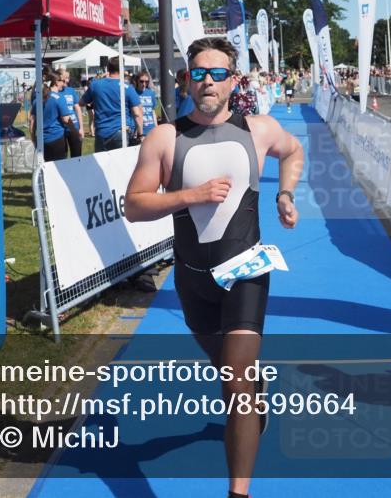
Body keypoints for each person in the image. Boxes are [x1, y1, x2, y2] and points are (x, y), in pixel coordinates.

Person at [124, 36, 303, 498]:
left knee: (237, 380)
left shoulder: (258, 129)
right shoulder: (165, 137)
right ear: (187, 78)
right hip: (192, 280)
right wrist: (190, 196)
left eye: (218, 73)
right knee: (229, 371)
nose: (208, 81)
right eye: (199, 72)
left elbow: (294, 151)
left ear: (234, 81)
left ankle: (237, 493)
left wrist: (285, 193)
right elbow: (134, 206)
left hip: (246, 269)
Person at [80, 57, 144, 152]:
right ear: (122, 69)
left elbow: (81, 103)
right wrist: (140, 134)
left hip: (101, 133)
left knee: (102, 165)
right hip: (120, 133)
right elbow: (137, 113)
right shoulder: (127, 87)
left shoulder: (95, 84)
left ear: (108, 68)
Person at [31, 72, 71, 162]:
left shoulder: (38, 99)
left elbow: (32, 120)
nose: (64, 83)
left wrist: (33, 137)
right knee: (60, 167)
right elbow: (66, 119)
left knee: (45, 167)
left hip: (42, 140)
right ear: (56, 82)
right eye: (62, 81)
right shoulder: (59, 98)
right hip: (56, 138)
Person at [59, 68, 84, 158]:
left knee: (77, 156)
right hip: (61, 129)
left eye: (68, 78)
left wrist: (81, 128)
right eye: (65, 78)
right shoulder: (54, 92)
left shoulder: (71, 90)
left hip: (74, 127)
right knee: (62, 157)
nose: (67, 80)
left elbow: (78, 109)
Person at [133, 71, 159, 140]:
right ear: (137, 81)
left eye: (146, 82)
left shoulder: (151, 93)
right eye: (141, 81)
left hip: (151, 129)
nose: (144, 84)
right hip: (139, 130)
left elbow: (153, 111)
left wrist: (156, 127)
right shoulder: (133, 93)